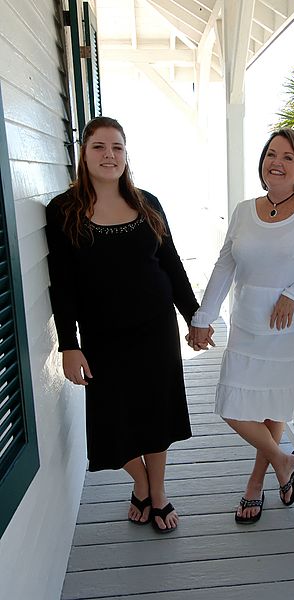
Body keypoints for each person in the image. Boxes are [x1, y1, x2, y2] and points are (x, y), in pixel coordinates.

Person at [45, 116, 205, 533]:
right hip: (102, 336)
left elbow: (170, 265)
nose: (109, 155)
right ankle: (143, 481)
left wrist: (195, 317)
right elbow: (61, 286)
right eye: (99, 147)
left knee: (156, 413)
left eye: (117, 147)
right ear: (83, 153)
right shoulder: (63, 210)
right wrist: (69, 343)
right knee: (112, 421)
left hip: (156, 330)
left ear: (126, 154)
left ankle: (158, 494)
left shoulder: (147, 202)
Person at [187, 128, 294, 524]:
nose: (276, 162)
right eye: (271, 154)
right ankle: (284, 460)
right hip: (245, 325)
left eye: (288, 157)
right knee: (232, 404)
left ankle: (255, 485)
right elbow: (226, 266)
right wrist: (203, 318)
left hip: (287, 328)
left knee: (272, 407)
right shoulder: (244, 210)